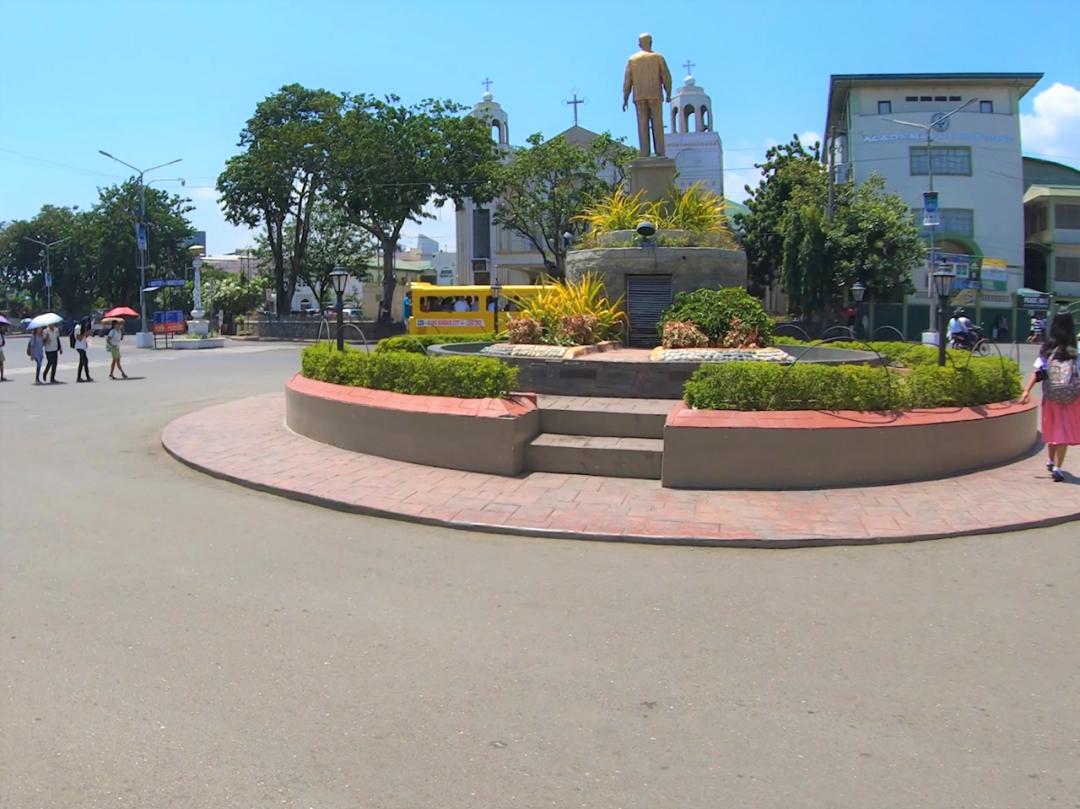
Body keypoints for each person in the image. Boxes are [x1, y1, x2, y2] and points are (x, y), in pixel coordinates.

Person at [1020, 312, 1080, 482]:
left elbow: (1038, 372)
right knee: (1064, 430)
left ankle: (1050, 460)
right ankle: (1058, 468)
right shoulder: (1074, 350)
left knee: (1053, 427)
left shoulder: (1047, 348)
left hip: (1050, 396)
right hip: (1071, 397)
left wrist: (1026, 391)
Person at [74, 318, 93, 382]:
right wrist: (85, 333)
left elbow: (84, 337)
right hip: (79, 347)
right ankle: (87, 377)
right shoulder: (78, 327)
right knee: (85, 361)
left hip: (83, 347)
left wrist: (88, 333)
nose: (87, 324)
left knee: (82, 362)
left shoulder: (83, 327)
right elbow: (79, 338)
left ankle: (79, 377)